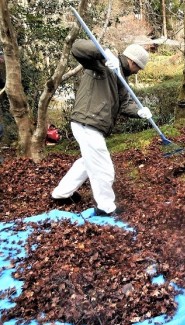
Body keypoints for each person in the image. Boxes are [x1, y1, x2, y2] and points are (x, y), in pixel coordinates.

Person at [51, 39, 152, 216]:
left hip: (92, 124)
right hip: (87, 121)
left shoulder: (121, 78)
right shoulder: (103, 64)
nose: (138, 72)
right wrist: (104, 52)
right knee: (104, 168)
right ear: (133, 62)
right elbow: (78, 48)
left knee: (87, 162)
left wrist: (140, 112)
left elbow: (125, 104)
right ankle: (105, 207)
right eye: (139, 68)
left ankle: (61, 194)